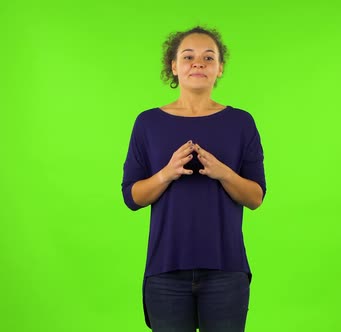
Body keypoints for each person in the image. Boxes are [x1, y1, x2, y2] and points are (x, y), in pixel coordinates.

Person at [121, 26, 266, 332]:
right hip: (165, 272)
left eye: (208, 57)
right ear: (173, 66)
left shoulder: (241, 122)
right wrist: (166, 173)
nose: (197, 63)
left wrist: (223, 172)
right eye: (188, 56)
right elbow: (131, 197)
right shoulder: (148, 123)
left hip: (226, 271)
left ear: (219, 68)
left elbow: (255, 197)